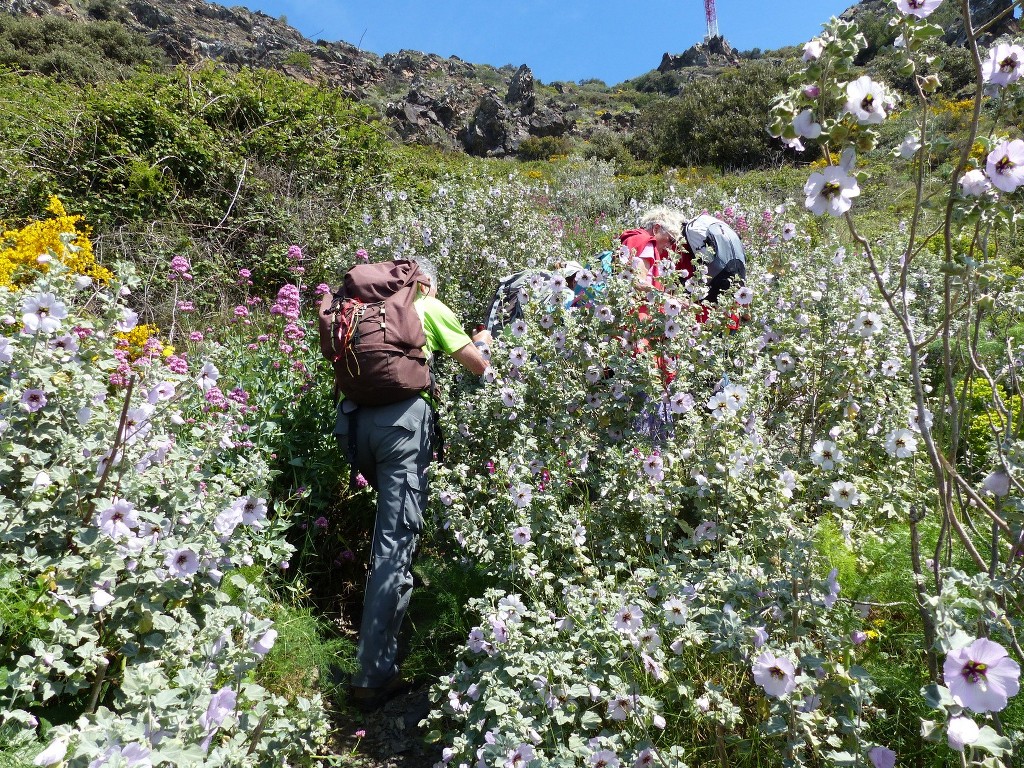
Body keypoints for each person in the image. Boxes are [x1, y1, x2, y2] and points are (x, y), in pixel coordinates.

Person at [333, 256, 490, 711]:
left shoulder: (359, 310)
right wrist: (482, 340)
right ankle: (372, 676)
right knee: (394, 542)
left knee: (391, 531)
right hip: (402, 427)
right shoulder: (427, 307)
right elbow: (478, 366)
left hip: (356, 425)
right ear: (425, 287)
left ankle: (383, 629)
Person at [618, 207, 686, 290]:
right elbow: (637, 282)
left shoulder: (630, 238)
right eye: (671, 240)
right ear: (656, 229)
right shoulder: (648, 243)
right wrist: (669, 299)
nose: (669, 246)